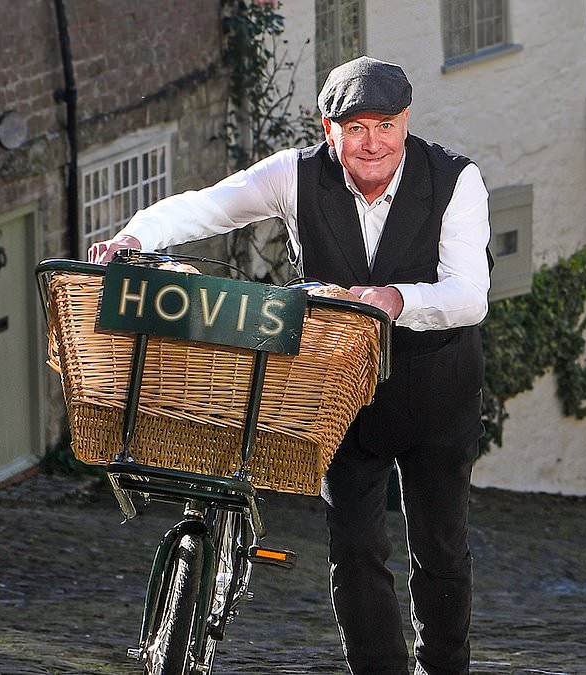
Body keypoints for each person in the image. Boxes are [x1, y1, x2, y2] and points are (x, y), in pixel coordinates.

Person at [90, 55, 490, 675]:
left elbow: (469, 295)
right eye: (354, 127)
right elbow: (208, 207)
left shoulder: (456, 180)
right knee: (354, 550)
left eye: (385, 124)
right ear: (328, 129)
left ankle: (445, 666)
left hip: (436, 387)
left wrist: (398, 298)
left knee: (439, 552)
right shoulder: (293, 176)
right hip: (338, 395)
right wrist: (134, 240)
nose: (372, 142)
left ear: (406, 121)